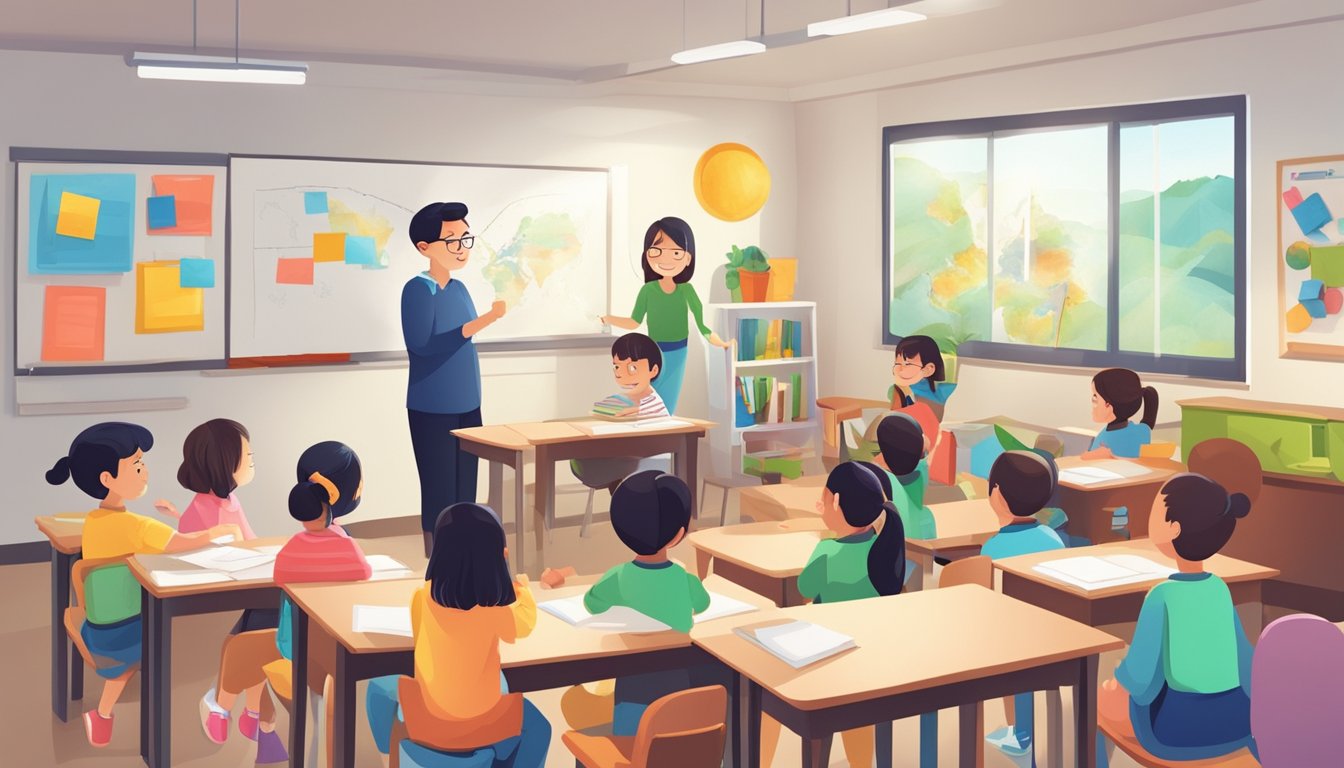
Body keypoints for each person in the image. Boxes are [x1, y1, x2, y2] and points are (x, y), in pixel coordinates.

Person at [45, 422, 238, 747]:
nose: (145, 472)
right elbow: (182, 543)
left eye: (142, 463)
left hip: (96, 625)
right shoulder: (137, 525)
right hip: (131, 629)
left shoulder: (93, 520)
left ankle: (103, 714)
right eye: (136, 465)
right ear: (107, 479)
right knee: (165, 644)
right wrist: (218, 532)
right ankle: (134, 726)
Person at [205, 441, 372, 766]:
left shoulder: (292, 548)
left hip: (295, 648)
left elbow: (279, 576)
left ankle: (232, 706)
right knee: (255, 629)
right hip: (341, 646)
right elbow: (363, 573)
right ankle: (249, 713)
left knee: (251, 629)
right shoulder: (349, 548)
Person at [366, 503, 550, 768]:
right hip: (483, 721)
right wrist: (521, 588)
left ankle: (387, 753)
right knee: (538, 728)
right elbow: (526, 623)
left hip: (426, 718)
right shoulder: (494, 612)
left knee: (379, 685)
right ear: (499, 558)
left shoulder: (421, 597)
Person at [1099, 474, 1255, 763]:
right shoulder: (1220, 589)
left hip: (1177, 731)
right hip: (1237, 721)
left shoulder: (1162, 595)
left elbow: (1142, 679)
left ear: (1173, 528)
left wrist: (1116, 684)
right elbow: (1245, 660)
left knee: (1096, 705)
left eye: (1156, 510)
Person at [404, 201, 506, 555]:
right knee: (439, 488)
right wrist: (484, 321)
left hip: (468, 401)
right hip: (433, 406)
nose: (461, 248)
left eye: (465, 238)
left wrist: (478, 324)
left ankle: (467, 552)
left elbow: (463, 341)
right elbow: (424, 345)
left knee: (466, 488)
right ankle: (437, 557)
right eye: (452, 241)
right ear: (424, 248)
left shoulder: (460, 289)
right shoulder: (418, 290)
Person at [981, 451, 1067, 760]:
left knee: (1008, 667)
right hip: (1053, 634)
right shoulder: (1053, 538)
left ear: (997, 495)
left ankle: (1018, 734)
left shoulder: (992, 548)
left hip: (1013, 643)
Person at [599, 216, 730, 413]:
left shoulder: (687, 290)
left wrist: (722, 344)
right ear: (647, 255)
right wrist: (609, 319)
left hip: (678, 353)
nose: (665, 259)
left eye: (676, 252)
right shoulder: (648, 290)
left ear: (688, 258)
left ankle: (664, 440)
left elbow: (703, 327)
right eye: (656, 251)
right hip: (653, 353)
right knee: (648, 400)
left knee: (667, 404)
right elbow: (634, 322)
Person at [571, 332, 671, 492]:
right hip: (616, 462)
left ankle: (623, 500)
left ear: (653, 370)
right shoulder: (621, 399)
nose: (621, 373)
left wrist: (634, 414)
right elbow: (598, 410)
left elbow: (655, 438)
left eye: (632, 368)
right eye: (617, 366)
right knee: (582, 456)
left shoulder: (653, 404)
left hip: (644, 467)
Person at [1082, 368, 1158, 460]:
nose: (1092, 404)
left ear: (1108, 405)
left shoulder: (1105, 439)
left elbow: (1088, 461)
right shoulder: (1143, 430)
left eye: (1095, 398)